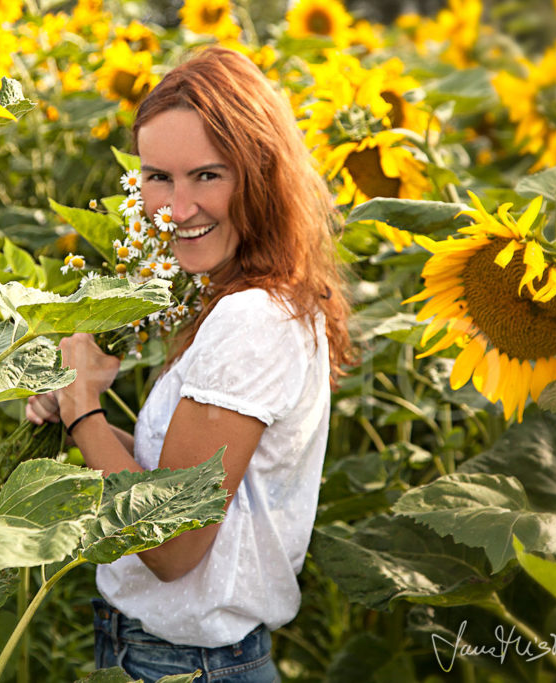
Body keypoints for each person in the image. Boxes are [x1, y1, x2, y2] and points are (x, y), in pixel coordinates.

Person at [26, 45, 352, 682]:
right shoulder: (268, 299)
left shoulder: (250, 318)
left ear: (259, 174)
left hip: (184, 668)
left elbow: (173, 545)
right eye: (157, 177)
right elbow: (184, 480)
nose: (175, 210)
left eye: (207, 175)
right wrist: (73, 409)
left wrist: (84, 411)